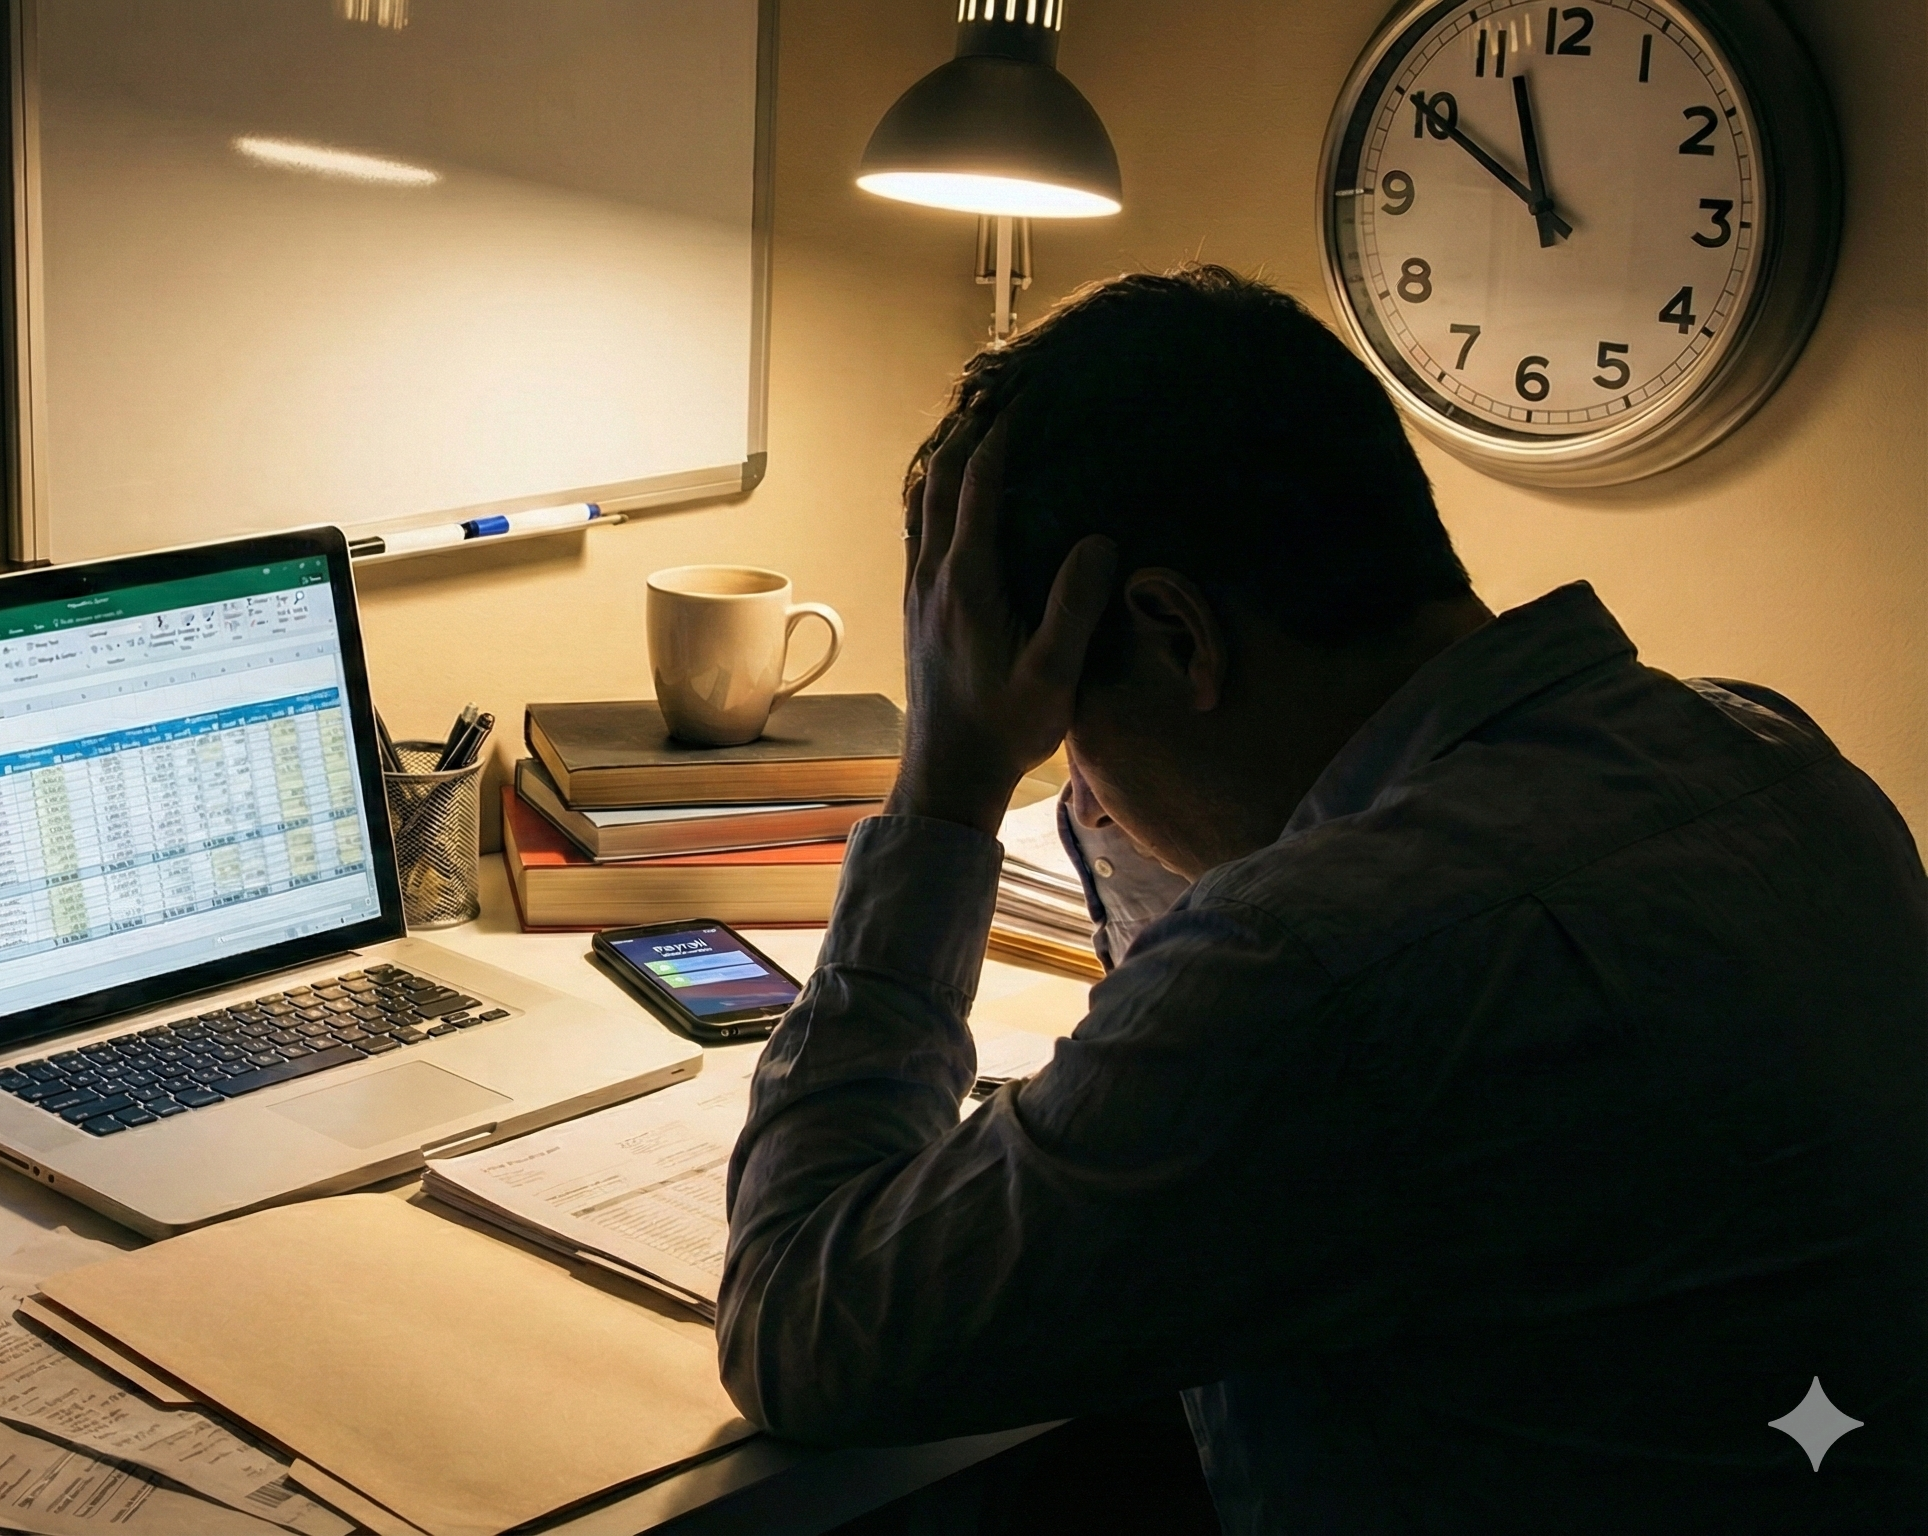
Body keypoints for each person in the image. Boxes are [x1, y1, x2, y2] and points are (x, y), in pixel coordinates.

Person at [717, 265, 1926, 1532]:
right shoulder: (1771, 761)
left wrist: (949, 783)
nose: (1077, 777)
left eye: (1066, 722)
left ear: (1176, 634)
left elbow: (797, 1324)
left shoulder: (1320, 975)